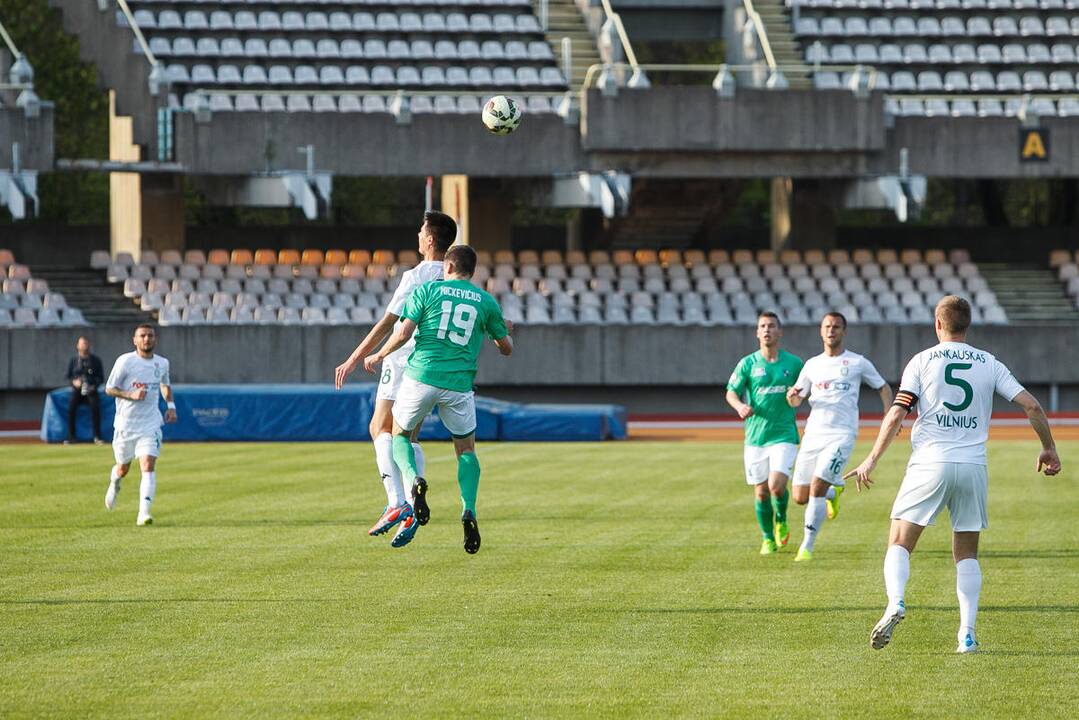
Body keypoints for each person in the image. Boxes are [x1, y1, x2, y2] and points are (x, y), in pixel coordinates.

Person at [845, 296, 1061, 654]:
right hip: (973, 465)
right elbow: (1031, 405)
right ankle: (967, 634)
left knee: (899, 541)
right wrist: (1049, 447)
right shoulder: (988, 362)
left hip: (931, 460)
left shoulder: (922, 360)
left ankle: (896, 601)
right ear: (968, 324)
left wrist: (871, 459)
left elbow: (898, 412)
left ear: (937, 323)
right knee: (966, 553)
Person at [363, 244, 513, 554]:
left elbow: (403, 333)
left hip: (420, 378)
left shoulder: (428, 290)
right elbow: (506, 347)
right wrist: (501, 332)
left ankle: (414, 482)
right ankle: (468, 510)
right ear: (472, 272)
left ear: (447, 267)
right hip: (459, 385)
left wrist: (379, 353)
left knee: (400, 434)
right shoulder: (485, 302)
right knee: (466, 449)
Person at [334, 211, 457, 548]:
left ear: (430, 240)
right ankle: (411, 501)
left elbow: (388, 323)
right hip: (433, 363)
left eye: (421, 231)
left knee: (379, 428)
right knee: (408, 435)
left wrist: (355, 357)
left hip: (402, 357)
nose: (418, 236)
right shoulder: (454, 277)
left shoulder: (414, 276)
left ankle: (396, 502)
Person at [785, 312, 892, 562]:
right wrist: (792, 396)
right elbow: (796, 399)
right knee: (800, 497)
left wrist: (888, 414)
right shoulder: (812, 365)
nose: (831, 330)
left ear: (844, 331)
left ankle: (806, 547)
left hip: (842, 434)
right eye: (827, 326)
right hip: (813, 434)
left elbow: (883, 387)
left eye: (836, 326)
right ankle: (835, 492)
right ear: (821, 331)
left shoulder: (857, 362)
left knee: (817, 486)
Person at [725, 311, 804, 555]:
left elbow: (802, 395)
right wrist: (740, 406)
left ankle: (781, 517)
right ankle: (768, 538)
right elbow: (731, 392)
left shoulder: (794, 363)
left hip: (784, 435)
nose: (767, 330)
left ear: (780, 332)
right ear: (757, 333)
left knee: (776, 486)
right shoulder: (747, 364)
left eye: (771, 326)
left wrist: (796, 398)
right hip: (756, 438)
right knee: (760, 492)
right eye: (763, 326)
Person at [104, 324, 177, 526]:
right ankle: (115, 482)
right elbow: (109, 389)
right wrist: (130, 395)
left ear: (155, 339)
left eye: (150, 336)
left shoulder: (162, 363)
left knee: (148, 464)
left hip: (150, 424)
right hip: (125, 425)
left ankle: (143, 513)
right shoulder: (125, 362)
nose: (147, 339)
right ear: (135, 340)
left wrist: (171, 406)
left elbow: (165, 384)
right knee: (123, 468)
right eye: (142, 336)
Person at [65, 336, 106, 444]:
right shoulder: (74, 360)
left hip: (91, 390)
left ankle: (97, 436)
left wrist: (93, 386)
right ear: (77, 346)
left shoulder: (96, 360)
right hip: (77, 391)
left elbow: (101, 378)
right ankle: (71, 436)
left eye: (86, 343)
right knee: (71, 408)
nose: (84, 346)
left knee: (95, 408)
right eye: (82, 344)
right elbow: (69, 376)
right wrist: (74, 382)